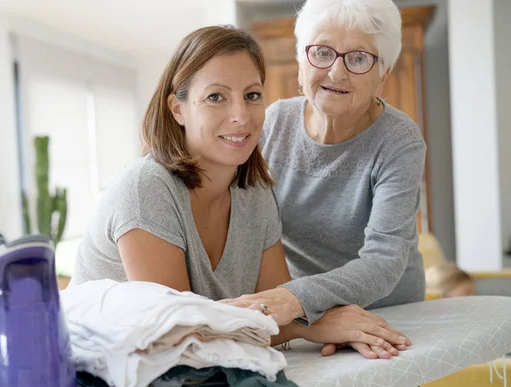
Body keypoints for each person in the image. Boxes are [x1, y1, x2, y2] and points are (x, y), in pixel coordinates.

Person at [69, 25, 409, 358]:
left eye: (252, 96)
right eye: (216, 97)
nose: (240, 115)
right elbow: (179, 334)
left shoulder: (255, 192)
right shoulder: (146, 189)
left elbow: (273, 310)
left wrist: (316, 321)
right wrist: (309, 325)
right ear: (178, 109)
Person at [221, 1, 426, 387]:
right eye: (322, 52)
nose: (336, 71)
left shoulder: (399, 141)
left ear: (383, 73)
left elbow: (384, 261)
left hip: (383, 313)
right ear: (301, 62)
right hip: (307, 315)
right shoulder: (272, 124)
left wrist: (291, 299)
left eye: (359, 58)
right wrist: (300, 310)